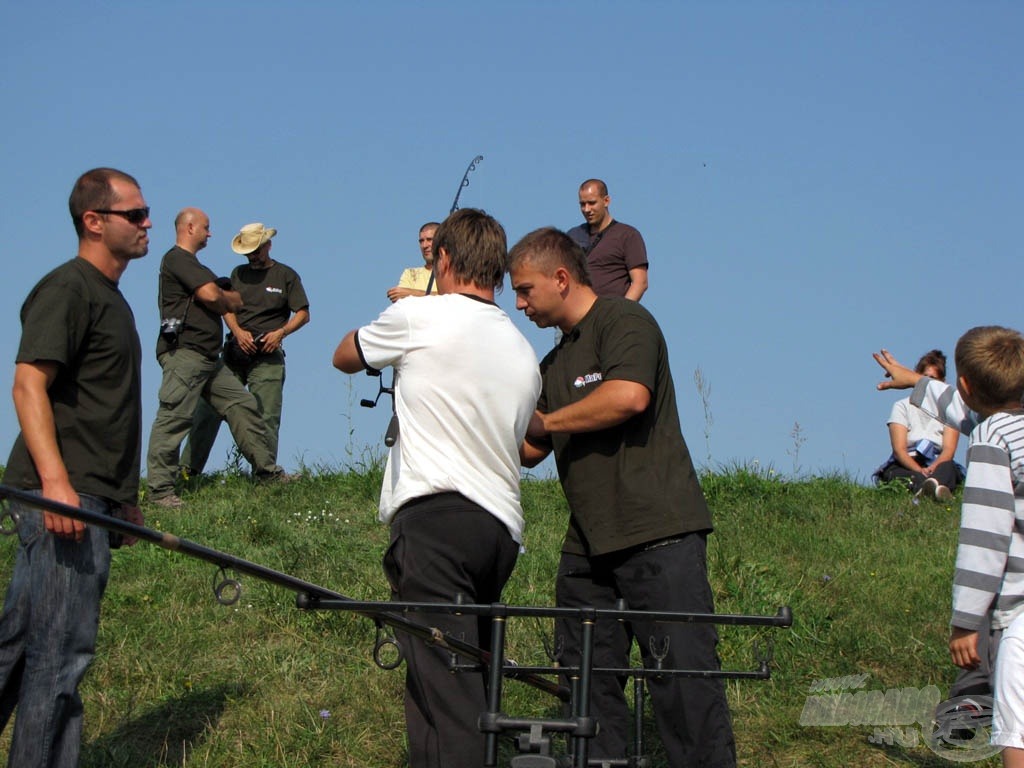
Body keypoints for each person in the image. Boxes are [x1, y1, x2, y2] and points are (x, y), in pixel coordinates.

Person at [510, 227, 735, 767]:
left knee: (683, 687)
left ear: (561, 278)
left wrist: (551, 421)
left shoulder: (624, 320)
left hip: (658, 533)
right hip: (587, 549)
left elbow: (629, 396)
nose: (519, 304)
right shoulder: (551, 364)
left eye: (525, 290)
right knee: (584, 688)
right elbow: (527, 449)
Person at [332, 208, 540, 768]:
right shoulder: (523, 351)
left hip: (436, 521)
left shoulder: (423, 317)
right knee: (442, 680)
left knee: (450, 697)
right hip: (499, 532)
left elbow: (344, 355)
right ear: (498, 270)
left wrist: (407, 308)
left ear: (442, 259)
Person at [0, 168, 150, 767]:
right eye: (134, 215)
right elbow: (28, 385)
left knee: (18, 643)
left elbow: (103, 407)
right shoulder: (69, 288)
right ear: (94, 220)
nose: (147, 224)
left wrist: (123, 496)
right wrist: (58, 486)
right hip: (62, 498)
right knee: (61, 655)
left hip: (89, 496)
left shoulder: (110, 298)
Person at [875, 328, 1024, 765]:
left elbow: (986, 538)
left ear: (965, 385)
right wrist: (917, 382)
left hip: (1021, 618)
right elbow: (968, 408)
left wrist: (965, 621)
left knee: (1016, 728)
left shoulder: (992, 441)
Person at [146, 209, 288, 508]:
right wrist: (220, 296)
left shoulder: (197, 266)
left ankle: (267, 472)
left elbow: (233, 300)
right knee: (174, 418)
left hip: (210, 358)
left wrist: (222, 296)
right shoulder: (177, 259)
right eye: (206, 228)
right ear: (189, 227)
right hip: (185, 353)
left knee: (243, 405)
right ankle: (160, 491)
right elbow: (215, 297)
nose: (210, 234)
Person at [180, 222, 310, 474]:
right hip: (235, 351)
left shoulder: (286, 275)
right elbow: (225, 307)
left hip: (269, 353)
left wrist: (280, 333)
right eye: (248, 252)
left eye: (257, 251)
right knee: (207, 410)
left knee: (265, 414)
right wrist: (238, 333)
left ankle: (264, 474)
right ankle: (187, 472)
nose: (253, 256)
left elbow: (303, 313)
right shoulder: (237, 274)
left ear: (268, 246)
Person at [874, 349, 963, 501]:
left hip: (937, 461)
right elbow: (899, 450)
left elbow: (948, 450)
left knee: (948, 468)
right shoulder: (902, 406)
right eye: (924, 378)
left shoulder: (949, 411)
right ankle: (931, 489)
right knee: (901, 474)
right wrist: (919, 470)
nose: (928, 382)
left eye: (933, 379)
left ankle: (932, 487)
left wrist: (933, 467)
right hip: (908, 462)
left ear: (942, 382)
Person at [566, 179, 649, 300]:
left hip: (612, 314)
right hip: (578, 315)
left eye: (592, 203)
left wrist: (620, 313)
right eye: (582, 204)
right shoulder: (573, 236)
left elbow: (640, 283)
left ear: (606, 201)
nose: (587, 209)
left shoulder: (627, 235)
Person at [387, 222, 440, 302]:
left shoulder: (454, 272)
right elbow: (401, 302)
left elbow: (455, 298)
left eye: (429, 240)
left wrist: (411, 293)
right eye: (421, 241)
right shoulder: (410, 274)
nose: (424, 245)